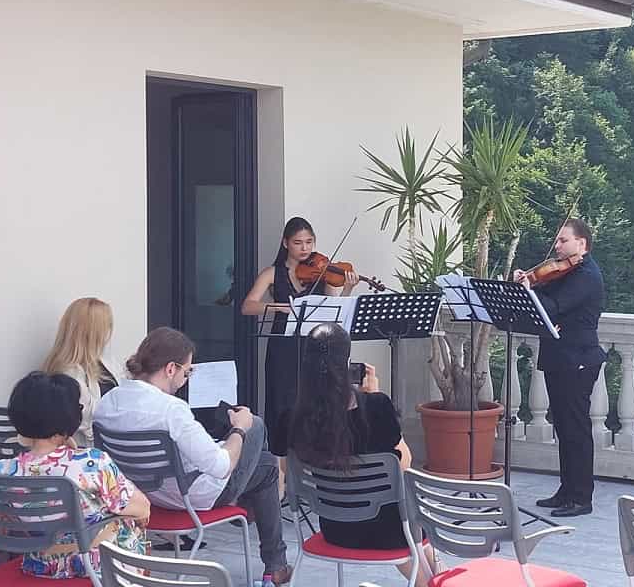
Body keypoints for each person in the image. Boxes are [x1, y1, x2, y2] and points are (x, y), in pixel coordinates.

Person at [93, 327, 292, 586]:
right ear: (170, 368)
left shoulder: (108, 403)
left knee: (265, 466)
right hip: (190, 498)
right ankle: (270, 555)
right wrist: (238, 429)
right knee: (254, 425)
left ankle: (274, 560)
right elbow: (221, 467)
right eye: (188, 372)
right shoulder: (172, 410)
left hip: (144, 495)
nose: (187, 378)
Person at [289, 323, 437, 587]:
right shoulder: (377, 406)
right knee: (412, 526)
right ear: (346, 363)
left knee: (419, 543)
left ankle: (438, 579)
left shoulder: (294, 417)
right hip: (387, 532)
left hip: (336, 528)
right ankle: (435, 581)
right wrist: (373, 396)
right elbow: (404, 463)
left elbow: (286, 475)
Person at [0, 372, 150, 580]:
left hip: (40, 566)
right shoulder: (92, 463)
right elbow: (142, 507)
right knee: (131, 517)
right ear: (70, 419)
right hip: (95, 568)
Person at [241, 217, 359, 458]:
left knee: (314, 400)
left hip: (314, 347)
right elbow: (248, 306)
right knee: (281, 402)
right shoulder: (272, 273)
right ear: (286, 243)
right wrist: (277, 307)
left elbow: (333, 307)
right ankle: (280, 461)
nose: (305, 248)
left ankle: (312, 455)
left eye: (309, 242)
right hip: (282, 348)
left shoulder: (322, 271)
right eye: (298, 243)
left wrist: (347, 289)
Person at [514, 218, 605, 517]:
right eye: (557, 241)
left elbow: (553, 307)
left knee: (576, 429)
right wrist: (529, 285)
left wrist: (529, 289)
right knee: (564, 428)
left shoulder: (587, 275)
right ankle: (566, 491)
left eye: (564, 240)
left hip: (578, 359)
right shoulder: (565, 273)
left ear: (582, 243)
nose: (557, 246)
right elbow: (548, 300)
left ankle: (581, 497)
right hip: (560, 357)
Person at [41, 297, 121, 447]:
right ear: (93, 331)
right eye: (107, 326)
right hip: (86, 452)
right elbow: (82, 419)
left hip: (111, 446)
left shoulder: (105, 362)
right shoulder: (68, 372)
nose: (109, 332)